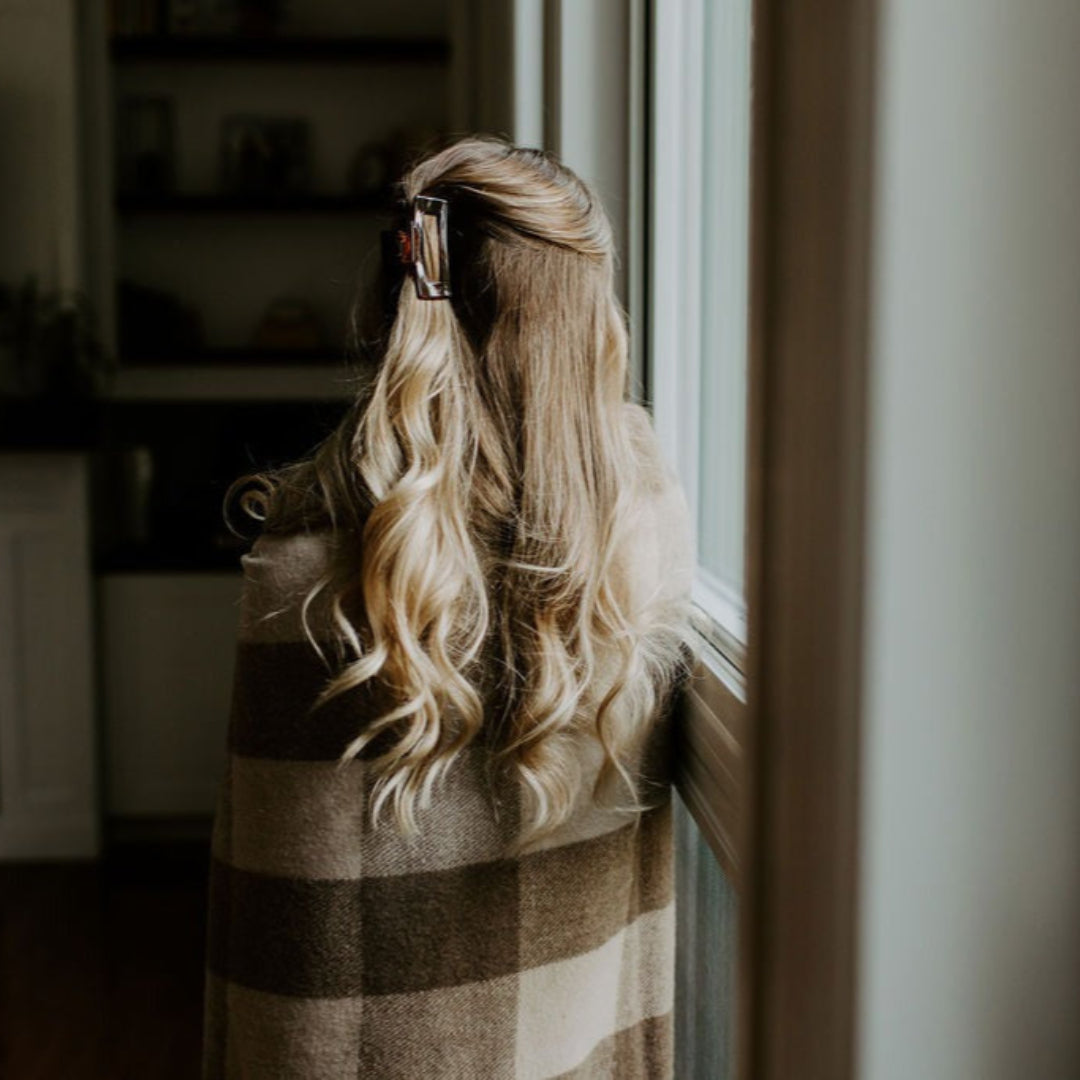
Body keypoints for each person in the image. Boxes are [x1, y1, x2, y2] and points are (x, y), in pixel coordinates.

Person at [201, 132, 700, 1079]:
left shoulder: (306, 569)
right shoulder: (640, 531)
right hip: (566, 1044)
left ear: (392, 303)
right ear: (591, 320)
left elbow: (278, 913)